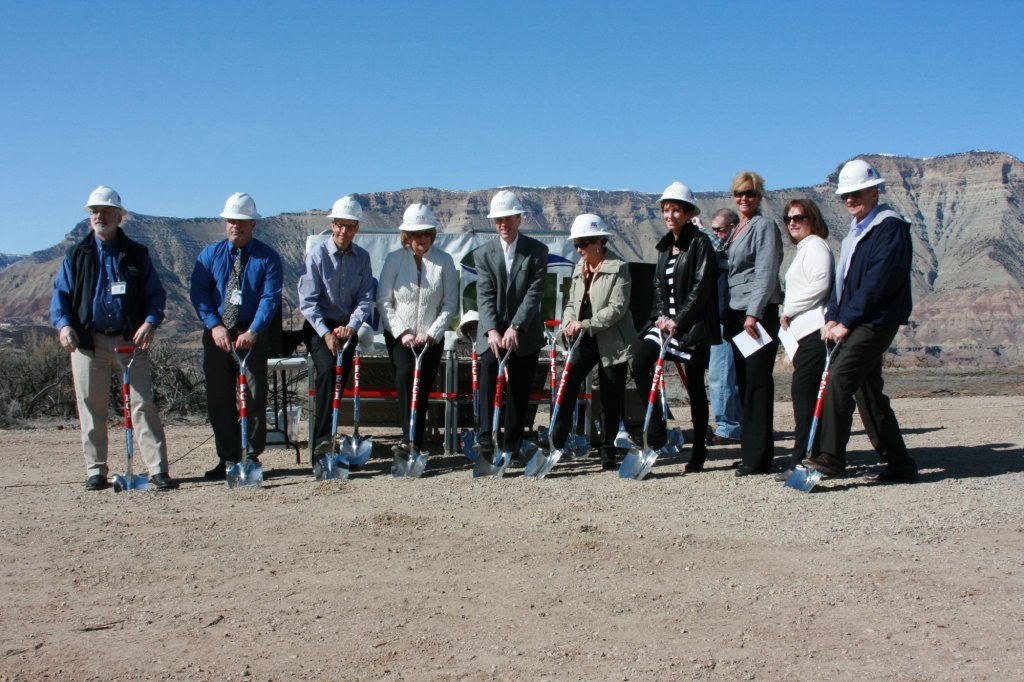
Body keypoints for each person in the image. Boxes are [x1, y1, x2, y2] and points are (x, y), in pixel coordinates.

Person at [50, 186, 177, 491]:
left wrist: (150, 322)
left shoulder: (136, 254)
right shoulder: (76, 254)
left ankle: (157, 469)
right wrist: (64, 326)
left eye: (105, 211)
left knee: (142, 404)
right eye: (94, 211)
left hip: (129, 341)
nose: (99, 216)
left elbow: (155, 294)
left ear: (119, 217)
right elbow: (61, 295)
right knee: (90, 407)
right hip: (87, 342)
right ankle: (96, 469)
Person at [803, 159, 918, 483]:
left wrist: (847, 321)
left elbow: (876, 283)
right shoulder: (856, 232)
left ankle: (831, 456)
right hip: (855, 319)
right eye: (845, 195)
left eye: (856, 193)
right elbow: (843, 282)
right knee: (868, 393)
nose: (850, 200)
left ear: (873, 192)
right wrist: (832, 316)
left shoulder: (889, 227)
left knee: (839, 378)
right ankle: (900, 463)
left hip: (876, 320)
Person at [190, 192, 283, 480]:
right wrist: (214, 326)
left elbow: (270, 298)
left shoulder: (267, 257)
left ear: (253, 224)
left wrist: (254, 330)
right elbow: (199, 293)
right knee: (218, 398)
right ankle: (227, 458)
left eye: (242, 221)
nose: (236, 226)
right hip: (218, 334)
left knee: (253, 397)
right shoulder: (210, 255)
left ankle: (251, 456)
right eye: (231, 220)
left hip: (252, 335)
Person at [630, 182, 720, 472]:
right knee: (640, 360)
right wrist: (660, 315)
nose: (670, 215)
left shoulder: (700, 243)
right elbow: (658, 285)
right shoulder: (664, 246)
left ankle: (699, 449)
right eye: (666, 210)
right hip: (665, 324)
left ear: (688, 213)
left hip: (691, 327)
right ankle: (657, 431)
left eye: (676, 210)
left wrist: (678, 320)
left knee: (695, 387)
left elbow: (700, 288)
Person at [376, 203, 458, 456]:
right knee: (405, 378)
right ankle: (406, 438)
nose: (422, 239)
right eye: (416, 234)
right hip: (400, 338)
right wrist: (403, 332)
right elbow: (383, 300)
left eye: (426, 233)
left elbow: (450, 303)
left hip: (430, 339)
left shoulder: (444, 261)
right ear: (407, 236)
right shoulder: (394, 260)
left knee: (421, 388)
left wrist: (432, 333)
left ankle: (417, 443)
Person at [298, 195, 374, 458]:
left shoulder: (362, 258)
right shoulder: (317, 256)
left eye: (350, 226)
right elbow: (308, 302)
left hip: (346, 327)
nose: (344, 231)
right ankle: (321, 444)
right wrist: (326, 334)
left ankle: (330, 437)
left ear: (356, 228)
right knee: (329, 372)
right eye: (340, 225)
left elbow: (365, 298)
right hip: (318, 326)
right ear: (332, 225)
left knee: (339, 382)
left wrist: (351, 327)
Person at [474, 190, 548, 461]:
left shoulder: (537, 251)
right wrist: (492, 330)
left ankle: (511, 444)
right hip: (493, 331)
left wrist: (516, 326)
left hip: (524, 332)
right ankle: (485, 437)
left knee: (518, 387)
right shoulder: (483, 254)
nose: (503, 224)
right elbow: (485, 294)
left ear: (519, 218)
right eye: (498, 220)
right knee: (487, 372)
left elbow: (534, 293)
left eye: (507, 218)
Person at [557, 214, 635, 470]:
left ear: (599, 241)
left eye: (583, 243)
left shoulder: (619, 267)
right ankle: (557, 441)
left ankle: (608, 448)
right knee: (567, 383)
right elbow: (571, 303)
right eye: (575, 244)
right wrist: (569, 323)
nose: (579, 249)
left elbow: (617, 308)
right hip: (584, 338)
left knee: (611, 395)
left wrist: (587, 324)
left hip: (613, 340)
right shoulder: (579, 268)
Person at [724, 171, 783, 476]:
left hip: (756, 315)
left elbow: (766, 270)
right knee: (745, 383)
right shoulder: (738, 228)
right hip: (737, 313)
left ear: (759, 196)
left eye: (750, 193)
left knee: (758, 383)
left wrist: (754, 313)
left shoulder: (764, 226)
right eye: (739, 193)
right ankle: (750, 451)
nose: (744, 198)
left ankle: (759, 458)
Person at [777, 199, 834, 478]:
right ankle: (811, 457)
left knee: (805, 397)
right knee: (804, 397)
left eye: (798, 217)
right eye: (788, 218)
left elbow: (820, 285)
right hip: (801, 334)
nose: (792, 223)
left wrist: (788, 309)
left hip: (814, 332)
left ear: (812, 218)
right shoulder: (804, 249)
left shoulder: (816, 246)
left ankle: (803, 459)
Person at [702, 208, 743, 446]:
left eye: (720, 229)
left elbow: (718, 248)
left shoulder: (730, 251)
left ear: (733, 227)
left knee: (721, 375)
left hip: (725, 319)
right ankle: (735, 423)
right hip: (720, 318)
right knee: (727, 376)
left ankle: (727, 426)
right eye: (713, 229)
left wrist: (702, 230)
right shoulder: (725, 250)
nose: (716, 234)